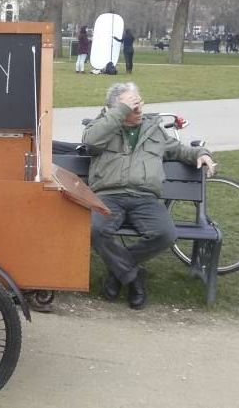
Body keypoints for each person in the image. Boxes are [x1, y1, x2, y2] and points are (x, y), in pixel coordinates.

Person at [82, 82, 216, 309]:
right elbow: (90, 142)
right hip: (109, 194)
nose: (139, 109)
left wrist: (202, 154)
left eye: (139, 103)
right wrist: (121, 111)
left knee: (165, 234)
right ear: (117, 108)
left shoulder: (153, 130)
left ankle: (119, 272)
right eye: (132, 105)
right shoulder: (102, 127)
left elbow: (179, 150)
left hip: (145, 197)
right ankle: (134, 278)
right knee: (94, 230)